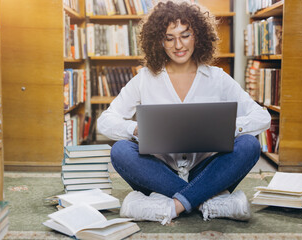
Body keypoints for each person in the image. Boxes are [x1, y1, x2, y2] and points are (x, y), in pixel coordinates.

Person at [97, 0, 271, 225]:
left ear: (197, 36)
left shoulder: (216, 78)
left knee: (249, 145)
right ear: (159, 41)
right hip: (159, 173)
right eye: (169, 38)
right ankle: (207, 202)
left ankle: (173, 205)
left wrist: (231, 128)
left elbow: (262, 117)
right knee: (121, 150)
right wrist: (136, 129)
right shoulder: (145, 79)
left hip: (206, 171)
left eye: (185, 35)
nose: (178, 45)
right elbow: (105, 121)